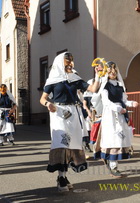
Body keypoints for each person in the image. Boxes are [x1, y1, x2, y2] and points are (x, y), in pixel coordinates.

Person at [39, 52, 101, 192]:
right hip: (59, 113)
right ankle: (61, 178)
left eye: (71, 61)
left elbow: (93, 88)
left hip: (74, 113)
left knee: (71, 145)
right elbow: (43, 98)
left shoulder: (74, 78)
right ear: (61, 62)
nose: (71, 63)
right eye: (68, 61)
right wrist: (48, 104)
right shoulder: (53, 80)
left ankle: (64, 175)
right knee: (62, 143)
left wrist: (98, 75)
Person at [93, 61, 138, 178]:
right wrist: (118, 108)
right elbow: (106, 102)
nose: (113, 72)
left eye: (114, 69)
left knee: (119, 139)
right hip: (110, 114)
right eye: (110, 69)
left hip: (120, 114)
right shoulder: (105, 86)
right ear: (106, 72)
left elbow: (124, 100)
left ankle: (112, 163)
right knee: (112, 138)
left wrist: (131, 103)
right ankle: (113, 166)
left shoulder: (119, 85)